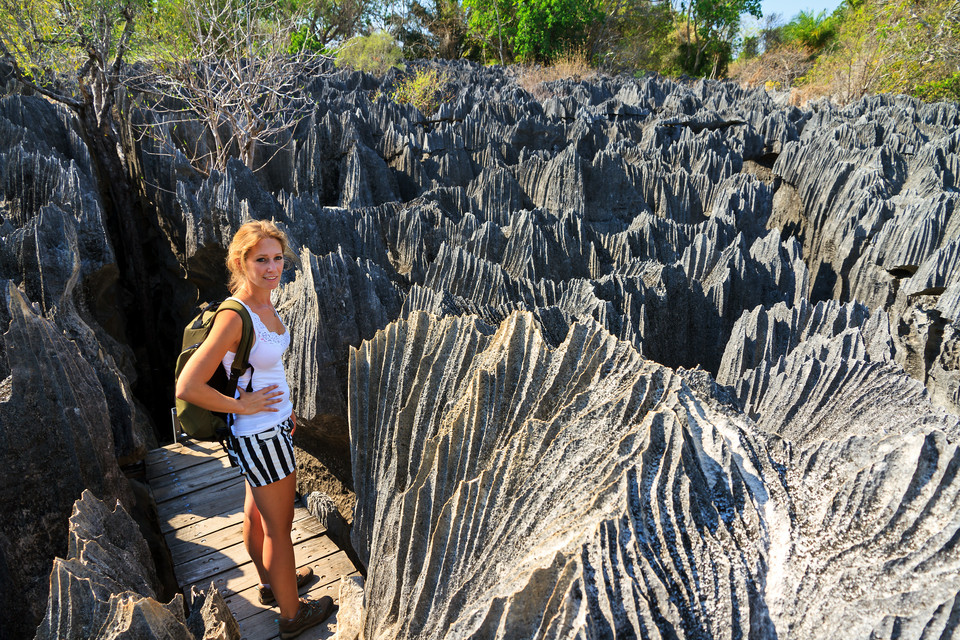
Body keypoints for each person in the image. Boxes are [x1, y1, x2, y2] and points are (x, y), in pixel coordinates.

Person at [175, 220, 334, 639]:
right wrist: (241, 405)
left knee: (257, 514)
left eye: (277, 258)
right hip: (258, 434)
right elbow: (187, 386)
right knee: (280, 529)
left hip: (272, 427)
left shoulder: (266, 303)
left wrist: (286, 412)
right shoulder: (235, 315)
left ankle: (271, 585)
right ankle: (291, 615)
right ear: (240, 262)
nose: (272, 267)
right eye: (261, 259)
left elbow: (266, 367)